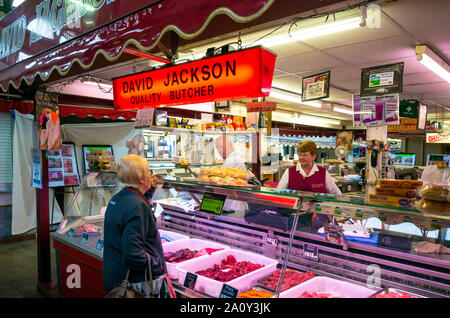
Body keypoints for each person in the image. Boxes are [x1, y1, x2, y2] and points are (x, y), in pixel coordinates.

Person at [103, 154, 168, 296]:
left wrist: (150, 190)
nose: (151, 175)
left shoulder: (119, 197)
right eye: (149, 171)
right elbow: (133, 254)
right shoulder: (138, 206)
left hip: (114, 273)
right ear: (140, 178)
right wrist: (158, 266)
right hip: (133, 285)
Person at [277, 140, 342, 230]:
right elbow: (279, 193)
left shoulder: (322, 172)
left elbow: (336, 194)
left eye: (305, 155)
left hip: (319, 220)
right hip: (295, 219)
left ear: (314, 156)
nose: (301, 157)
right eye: (300, 154)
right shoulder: (290, 171)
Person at [215, 134, 247, 212]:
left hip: (234, 207)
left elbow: (226, 187)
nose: (219, 151)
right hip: (230, 205)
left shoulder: (234, 161)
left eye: (219, 147)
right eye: (218, 148)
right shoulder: (231, 159)